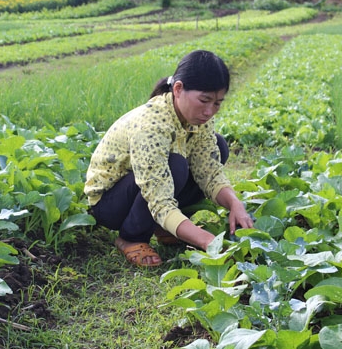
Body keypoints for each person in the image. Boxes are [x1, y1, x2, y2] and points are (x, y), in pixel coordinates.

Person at [84, 50, 254, 267]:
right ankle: (131, 237)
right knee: (177, 166)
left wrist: (234, 203)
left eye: (217, 103)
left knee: (218, 147)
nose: (210, 111)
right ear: (178, 89)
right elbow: (159, 198)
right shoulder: (151, 126)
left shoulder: (199, 119)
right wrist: (207, 241)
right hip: (110, 203)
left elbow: (208, 172)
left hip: (148, 189)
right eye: (204, 100)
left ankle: (164, 225)